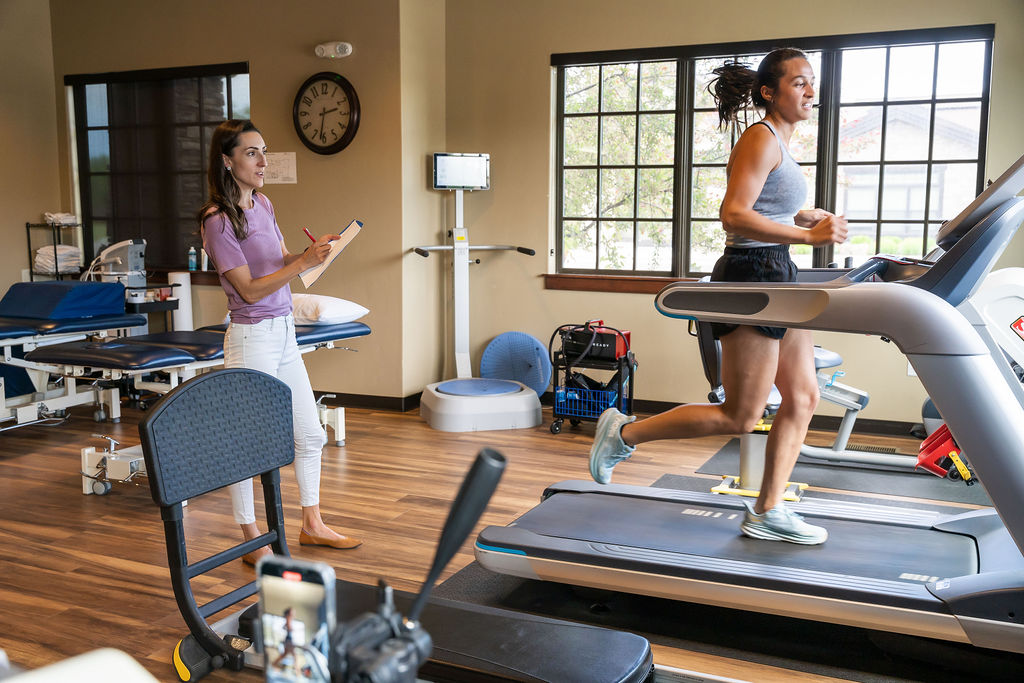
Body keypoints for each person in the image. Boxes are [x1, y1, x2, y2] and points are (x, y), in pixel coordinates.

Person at [588, 48, 847, 545]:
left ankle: (767, 510)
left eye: (812, 83)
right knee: (742, 415)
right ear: (770, 92)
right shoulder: (761, 137)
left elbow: (763, 209)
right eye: (800, 83)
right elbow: (733, 215)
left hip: (778, 272)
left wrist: (803, 217)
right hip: (752, 275)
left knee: (803, 395)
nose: (810, 92)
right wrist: (810, 238)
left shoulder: (783, 144)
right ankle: (622, 435)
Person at [199, 119, 361, 565]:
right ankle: (252, 538)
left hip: (284, 330)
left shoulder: (264, 204)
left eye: (263, 151)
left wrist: (316, 252)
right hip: (251, 337)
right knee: (246, 441)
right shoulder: (217, 221)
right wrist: (302, 263)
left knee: (310, 433)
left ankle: (312, 525)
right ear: (227, 161)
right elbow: (250, 289)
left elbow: (282, 263)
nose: (263, 162)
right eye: (252, 153)